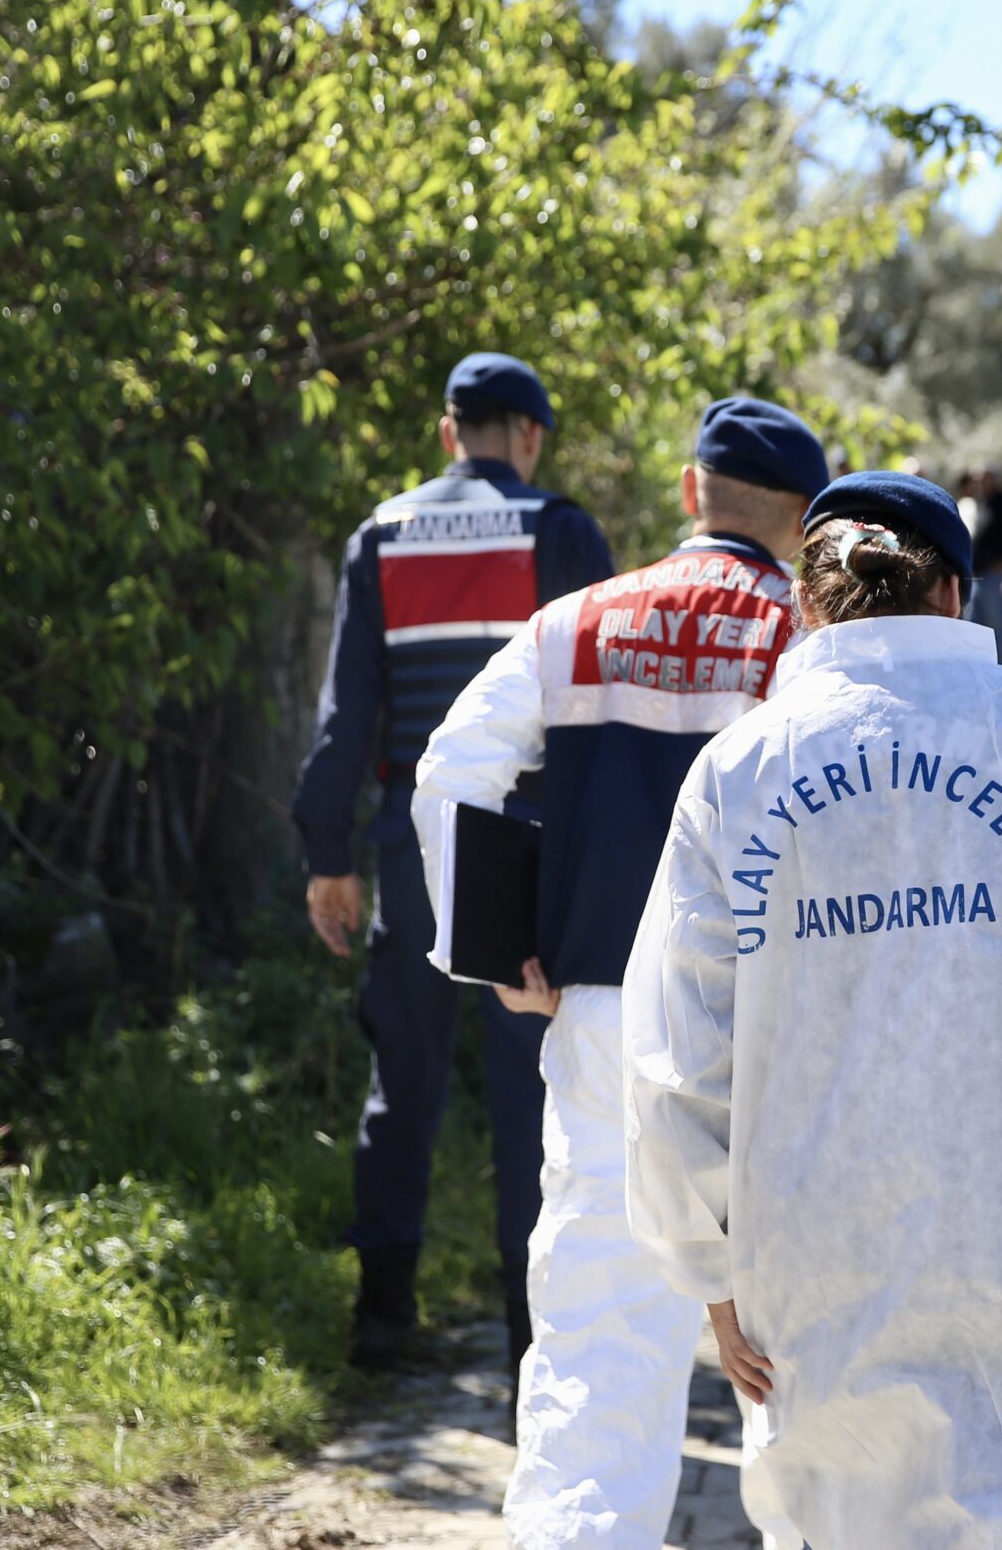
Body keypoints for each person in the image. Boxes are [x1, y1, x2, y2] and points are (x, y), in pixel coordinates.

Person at [622, 471, 1002, 1550]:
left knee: (832, 1519)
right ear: (954, 597)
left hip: (807, 1237)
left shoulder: (738, 770)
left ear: (807, 605)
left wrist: (707, 1269)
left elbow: (674, 1055)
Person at [411, 398, 830, 1549]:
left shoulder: (576, 620)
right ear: (801, 520)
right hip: (766, 1033)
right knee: (788, 1345)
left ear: (691, 492)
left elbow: (453, 773)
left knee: (597, 1341)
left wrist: (497, 955)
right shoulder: (808, 639)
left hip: (600, 1015)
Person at [291, 351, 614, 1372]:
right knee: (531, 1097)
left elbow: (346, 719)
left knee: (403, 1082)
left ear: (447, 432)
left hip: (411, 854)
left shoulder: (379, 535)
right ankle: (533, 1356)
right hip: (525, 856)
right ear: (529, 436)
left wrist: (326, 855)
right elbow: (595, 715)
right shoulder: (559, 530)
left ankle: (380, 1321)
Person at [967, 462, 1002, 664]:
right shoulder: (976, 502)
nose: (980, 482)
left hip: (995, 574)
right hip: (975, 574)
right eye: (977, 478)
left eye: (984, 478)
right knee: (975, 624)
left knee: (997, 625)